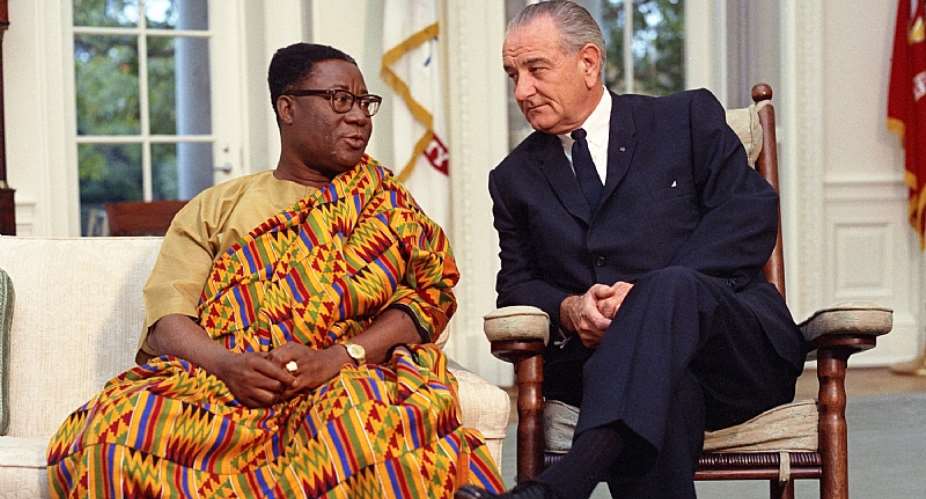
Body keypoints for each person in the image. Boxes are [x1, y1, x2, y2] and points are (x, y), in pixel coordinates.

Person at [47, 43, 503, 498]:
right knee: (109, 437)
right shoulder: (217, 207)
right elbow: (169, 323)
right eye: (340, 99)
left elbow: (428, 298)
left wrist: (339, 358)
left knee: (372, 429)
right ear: (288, 107)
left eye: (365, 103)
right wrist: (231, 367)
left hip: (345, 378)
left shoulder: (386, 203)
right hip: (222, 383)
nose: (360, 116)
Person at [457, 2, 806, 499]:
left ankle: (561, 487)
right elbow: (516, 282)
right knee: (665, 397)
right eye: (513, 74)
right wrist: (570, 307)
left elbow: (748, 216)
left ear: (589, 62)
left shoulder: (685, 118)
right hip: (612, 368)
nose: (522, 91)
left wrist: (644, 297)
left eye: (536, 70)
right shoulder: (513, 179)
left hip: (733, 357)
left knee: (672, 285)